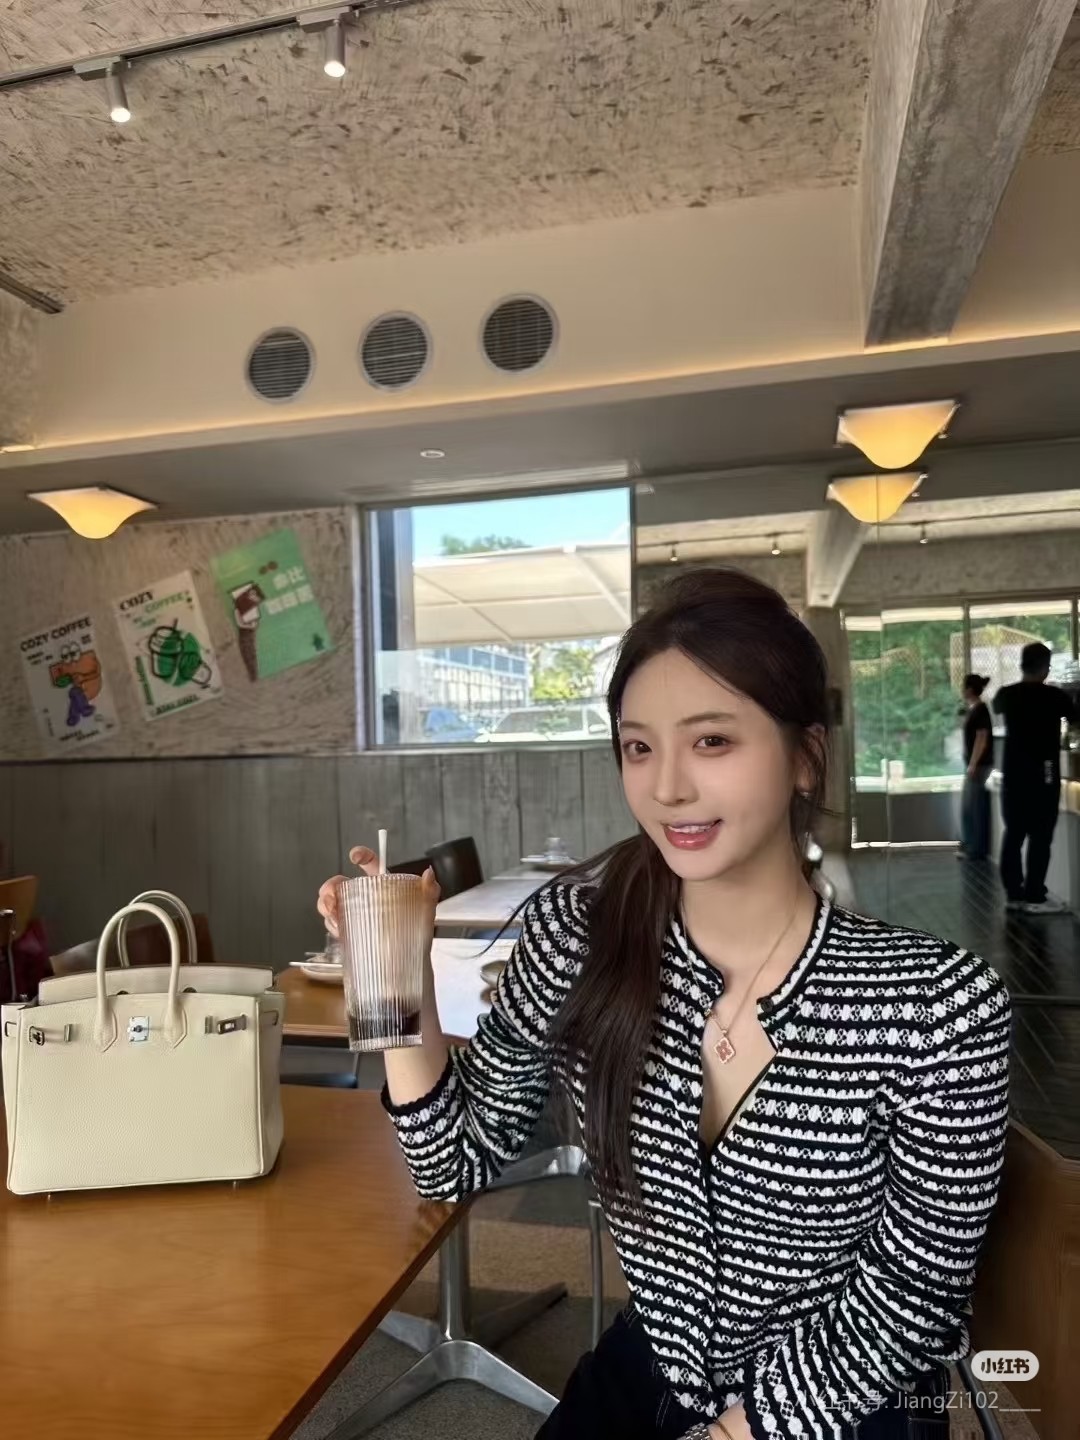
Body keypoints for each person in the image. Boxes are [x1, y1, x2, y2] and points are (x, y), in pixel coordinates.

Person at [319, 568, 1012, 1440]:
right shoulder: (581, 937)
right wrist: (397, 973)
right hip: (656, 1367)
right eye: (638, 748)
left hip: (844, 1402)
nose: (667, 787)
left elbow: (914, 1294)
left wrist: (731, 1431)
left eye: (712, 741)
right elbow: (453, 1164)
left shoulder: (939, 1004)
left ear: (805, 755)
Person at [994, 641, 1077, 914]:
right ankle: (1035, 896)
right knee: (1041, 837)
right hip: (1045, 772)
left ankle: (1013, 895)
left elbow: (997, 708)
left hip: (1013, 775)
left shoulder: (1006, 694)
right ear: (1045, 667)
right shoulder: (1055, 696)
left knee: (1014, 834)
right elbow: (1076, 719)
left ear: (1022, 665)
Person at [958, 674, 993, 861]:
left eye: (963, 687)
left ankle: (976, 849)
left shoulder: (980, 710)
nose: (961, 690)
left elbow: (982, 738)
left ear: (969, 689)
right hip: (976, 765)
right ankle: (972, 846)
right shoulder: (974, 709)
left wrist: (973, 764)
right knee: (971, 806)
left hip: (979, 766)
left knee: (973, 807)